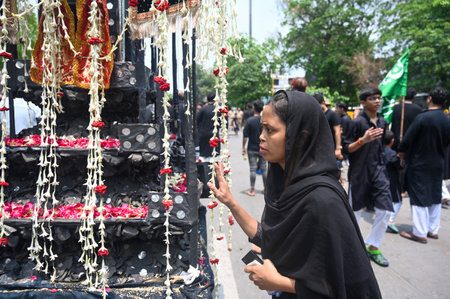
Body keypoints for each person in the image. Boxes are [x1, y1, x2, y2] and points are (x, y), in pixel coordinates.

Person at [209, 90, 381, 298]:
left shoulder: (323, 200)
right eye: (262, 128)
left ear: (299, 137)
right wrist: (230, 202)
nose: (261, 138)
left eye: (270, 130)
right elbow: (268, 237)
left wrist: (279, 282)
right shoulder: (285, 182)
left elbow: (351, 285)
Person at [343, 86, 393, 267]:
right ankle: (353, 247)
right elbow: (345, 149)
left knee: (386, 210)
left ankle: (373, 245)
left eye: (379, 98)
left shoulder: (383, 121)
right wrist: (362, 141)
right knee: (354, 212)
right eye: (373, 98)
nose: (378, 101)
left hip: (378, 170)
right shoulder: (355, 123)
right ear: (363, 103)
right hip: (358, 171)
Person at [398, 87, 450, 243]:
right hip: (438, 162)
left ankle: (420, 232)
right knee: (435, 196)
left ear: (429, 99)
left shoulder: (422, 118)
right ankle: (432, 230)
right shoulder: (446, 119)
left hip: (420, 163)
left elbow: (407, 139)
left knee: (419, 196)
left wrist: (401, 151)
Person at [242, 100, 267, 196]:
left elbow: (245, 136)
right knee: (264, 169)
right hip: (263, 148)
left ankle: (252, 190)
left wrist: (243, 147)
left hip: (251, 148)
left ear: (254, 108)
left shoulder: (250, 120)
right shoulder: (264, 120)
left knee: (252, 169)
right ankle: (266, 189)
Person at [382, 130, 402, 234]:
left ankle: (386, 219)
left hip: (382, 179)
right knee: (398, 201)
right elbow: (399, 166)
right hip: (392, 180)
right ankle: (389, 220)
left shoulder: (380, 151)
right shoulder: (393, 154)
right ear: (392, 141)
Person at [313, 92, 342, 159]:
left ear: (323, 102)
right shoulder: (317, 115)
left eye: (318, 105)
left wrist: (338, 149)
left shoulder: (333, 114)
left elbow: (337, 132)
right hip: (319, 149)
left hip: (331, 148)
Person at [196, 92, 218, 161]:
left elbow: (197, 120)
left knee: (202, 154)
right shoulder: (217, 109)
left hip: (203, 133)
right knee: (213, 154)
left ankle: (202, 169)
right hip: (214, 134)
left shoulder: (203, 109)